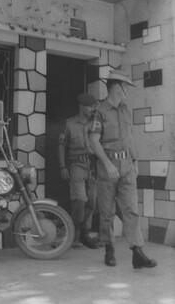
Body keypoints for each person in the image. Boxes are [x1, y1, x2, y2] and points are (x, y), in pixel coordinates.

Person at [89, 70, 157, 269]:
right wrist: (108, 164)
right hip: (107, 167)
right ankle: (109, 249)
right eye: (125, 86)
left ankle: (138, 253)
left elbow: (129, 139)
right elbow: (94, 141)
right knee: (107, 212)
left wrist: (135, 162)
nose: (126, 90)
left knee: (131, 210)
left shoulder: (126, 110)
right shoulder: (98, 111)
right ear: (117, 87)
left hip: (127, 166)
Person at [58, 92, 99, 249]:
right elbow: (61, 145)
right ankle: (73, 232)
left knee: (92, 201)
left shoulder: (96, 124)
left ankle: (84, 233)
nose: (92, 109)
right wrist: (63, 166)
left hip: (93, 166)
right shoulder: (69, 124)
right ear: (81, 107)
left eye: (94, 106)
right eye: (90, 106)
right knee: (80, 200)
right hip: (76, 166)